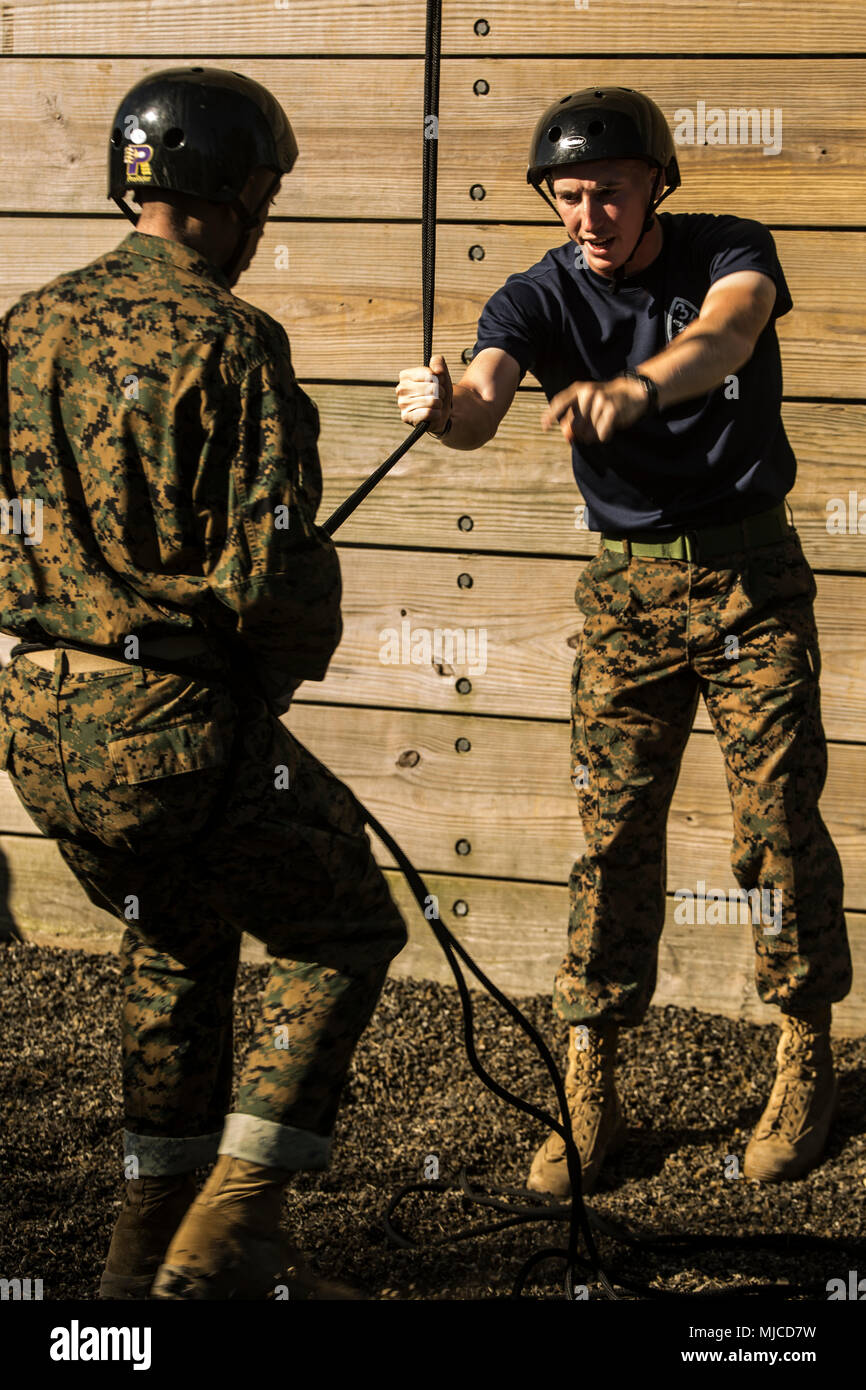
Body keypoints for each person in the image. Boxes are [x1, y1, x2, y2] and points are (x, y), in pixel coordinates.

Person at [395, 86, 851, 1198]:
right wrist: (437, 404)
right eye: (565, 196)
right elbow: (483, 404)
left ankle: (803, 1053)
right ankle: (589, 1072)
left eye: (606, 191)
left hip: (748, 581)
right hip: (626, 600)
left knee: (776, 830)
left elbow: (727, 332)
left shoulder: (728, 248)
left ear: (657, 184)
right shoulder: (535, 294)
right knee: (610, 840)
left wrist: (633, 391)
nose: (586, 215)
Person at [0, 65, 407, 1299]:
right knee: (343, 922)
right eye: (265, 193)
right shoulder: (232, 338)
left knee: (172, 944)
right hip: (170, 723)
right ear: (231, 188)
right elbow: (270, 565)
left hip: (37, 721)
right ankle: (231, 1231)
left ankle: (140, 1259)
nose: (265, 218)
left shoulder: (24, 324)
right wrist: (274, 667)